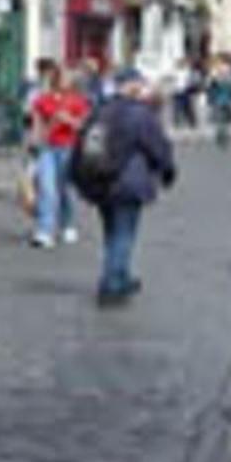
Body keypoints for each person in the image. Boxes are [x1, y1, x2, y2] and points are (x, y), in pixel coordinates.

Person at [74, 69, 177, 307]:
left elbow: (81, 144)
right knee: (124, 233)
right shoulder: (139, 114)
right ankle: (112, 282)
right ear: (133, 86)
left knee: (112, 231)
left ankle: (120, 274)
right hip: (129, 181)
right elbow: (157, 146)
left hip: (100, 180)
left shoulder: (100, 111)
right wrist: (168, 170)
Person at [28, 63, 91, 247]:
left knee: (65, 189)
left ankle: (67, 224)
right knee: (47, 189)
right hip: (47, 148)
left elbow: (84, 126)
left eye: (66, 79)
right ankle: (44, 230)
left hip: (69, 147)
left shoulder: (78, 101)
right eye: (60, 78)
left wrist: (69, 120)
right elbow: (36, 125)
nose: (63, 82)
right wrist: (34, 142)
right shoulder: (42, 100)